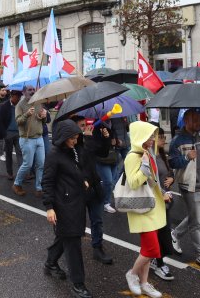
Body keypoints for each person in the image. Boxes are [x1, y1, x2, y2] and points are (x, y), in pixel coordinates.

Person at [42, 119, 96, 298]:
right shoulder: (54, 155)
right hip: (63, 206)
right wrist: (49, 207)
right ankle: (78, 284)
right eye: (72, 138)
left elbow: (78, 169)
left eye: (76, 137)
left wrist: (83, 180)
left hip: (76, 202)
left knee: (65, 236)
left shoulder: (73, 150)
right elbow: (47, 181)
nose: (75, 140)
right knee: (73, 243)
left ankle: (50, 262)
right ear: (63, 137)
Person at [168, 109, 200, 271]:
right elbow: (173, 163)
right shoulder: (177, 140)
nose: (199, 123)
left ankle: (175, 234)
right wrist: (186, 157)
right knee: (196, 223)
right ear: (186, 121)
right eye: (195, 120)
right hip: (190, 186)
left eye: (199, 120)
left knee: (196, 218)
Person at [123, 121, 168, 298]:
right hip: (141, 206)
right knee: (152, 250)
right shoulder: (132, 157)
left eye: (152, 136)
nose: (152, 139)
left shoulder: (147, 153)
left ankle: (144, 283)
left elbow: (152, 181)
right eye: (149, 136)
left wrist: (162, 193)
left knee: (147, 250)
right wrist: (144, 166)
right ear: (140, 136)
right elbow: (134, 182)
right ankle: (132, 274)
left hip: (152, 205)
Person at [72, 116, 114, 265]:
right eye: (81, 126)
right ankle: (70, 250)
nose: (85, 128)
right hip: (79, 189)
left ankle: (97, 248)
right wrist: (88, 138)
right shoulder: (71, 144)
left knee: (97, 220)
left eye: (85, 125)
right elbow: (83, 158)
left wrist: (106, 139)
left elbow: (102, 153)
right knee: (77, 222)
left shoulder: (87, 140)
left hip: (94, 186)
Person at [149, 128, 175, 281]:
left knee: (164, 231)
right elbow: (151, 181)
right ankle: (158, 263)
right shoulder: (147, 156)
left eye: (164, 137)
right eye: (161, 137)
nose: (164, 140)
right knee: (157, 233)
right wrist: (161, 194)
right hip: (155, 201)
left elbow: (168, 173)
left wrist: (172, 179)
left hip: (166, 201)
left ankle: (156, 260)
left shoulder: (162, 155)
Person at [13, 85, 47, 197]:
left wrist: (44, 116)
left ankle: (39, 188)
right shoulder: (20, 105)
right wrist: (27, 114)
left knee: (41, 164)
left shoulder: (38, 103)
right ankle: (17, 184)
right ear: (24, 92)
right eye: (29, 90)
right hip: (27, 139)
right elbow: (18, 121)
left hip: (39, 138)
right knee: (27, 164)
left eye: (33, 89)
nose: (32, 91)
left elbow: (43, 121)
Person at [0, 90, 23, 180]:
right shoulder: (4, 106)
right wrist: (4, 133)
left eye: (19, 96)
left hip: (18, 133)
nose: (18, 98)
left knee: (20, 153)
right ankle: (10, 173)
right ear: (12, 96)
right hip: (8, 133)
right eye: (17, 96)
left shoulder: (20, 106)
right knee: (9, 154)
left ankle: (21, 173)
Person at [0, 88, 9, 161]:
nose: (4, 91)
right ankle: (1, 154)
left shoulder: (8, 99)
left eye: (5, 90)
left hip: (7, 120)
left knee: (7, 137)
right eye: (3, 90)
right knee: (0, 137)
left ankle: (5, 151)